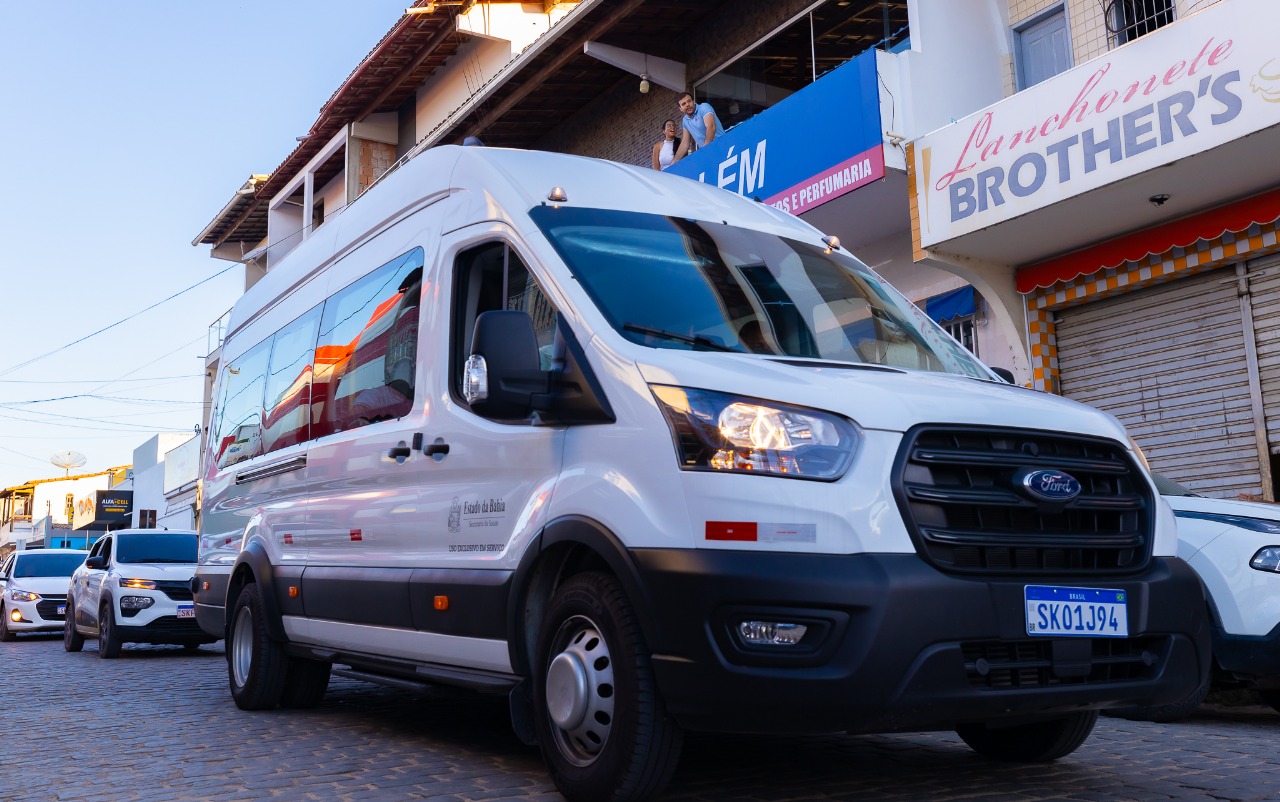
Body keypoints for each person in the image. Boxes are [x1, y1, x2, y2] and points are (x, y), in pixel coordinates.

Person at [674, 91, 723, 161]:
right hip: (709, 153)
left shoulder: (704, 107)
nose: (687, 104)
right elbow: (685, 143)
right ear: (680, 108)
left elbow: (711, 127)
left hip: (722, 144)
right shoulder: (685, 121)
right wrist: (673, 163)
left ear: (693, 101)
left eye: (689, 101)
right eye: (684, 104)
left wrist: (705, 150)